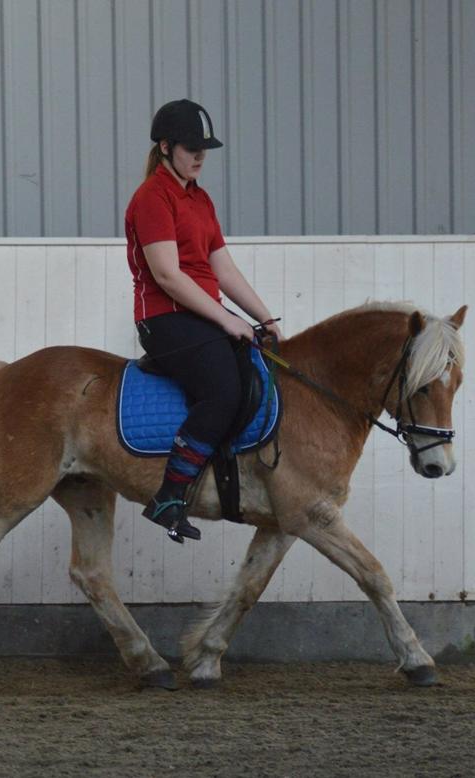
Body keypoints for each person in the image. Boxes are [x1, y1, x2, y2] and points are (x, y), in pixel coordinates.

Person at [125, 99, 283, 544]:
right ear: (165, 147)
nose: (199, 156)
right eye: (191, 147)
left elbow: (224, 269)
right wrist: (228, 321)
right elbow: (168, 277)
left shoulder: (199, 199)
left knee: (254, 368)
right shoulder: (152, 198)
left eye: (204, 149)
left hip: (200, 315)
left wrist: (263, 317)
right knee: (223, 390)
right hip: (165, 320)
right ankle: (170, 496)